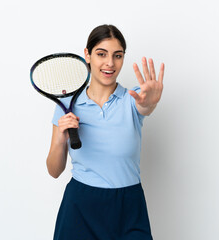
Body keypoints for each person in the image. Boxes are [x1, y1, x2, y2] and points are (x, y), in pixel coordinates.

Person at [47, 24, 164, 240]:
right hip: (80, 208)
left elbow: (145, 106)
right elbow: (54, 170)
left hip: (128, 206)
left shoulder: (134, 99)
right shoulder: (67, 104)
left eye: (117, 56)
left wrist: (151, 103)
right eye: (102, 54)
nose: (110, 63)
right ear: (87, 55)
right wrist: (60, 138)